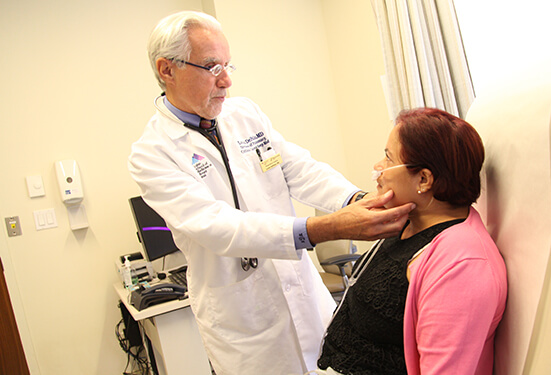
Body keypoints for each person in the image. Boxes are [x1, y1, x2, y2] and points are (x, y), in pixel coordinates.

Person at [128, 11, 414, 375]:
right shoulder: (152, 153)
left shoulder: (244, 114)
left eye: (228, 65)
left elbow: (297, 168)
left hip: (305, 297)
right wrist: (328, 228)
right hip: (245, 325)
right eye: (212, 67)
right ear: (167, 69)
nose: (226, 80)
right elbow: (217, 227)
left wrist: (356, 201)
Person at [316, 108, 508, 375]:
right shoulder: (407, 222)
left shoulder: (462, 265)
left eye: (388, 157)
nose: (377, 168)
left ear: (424, 179)